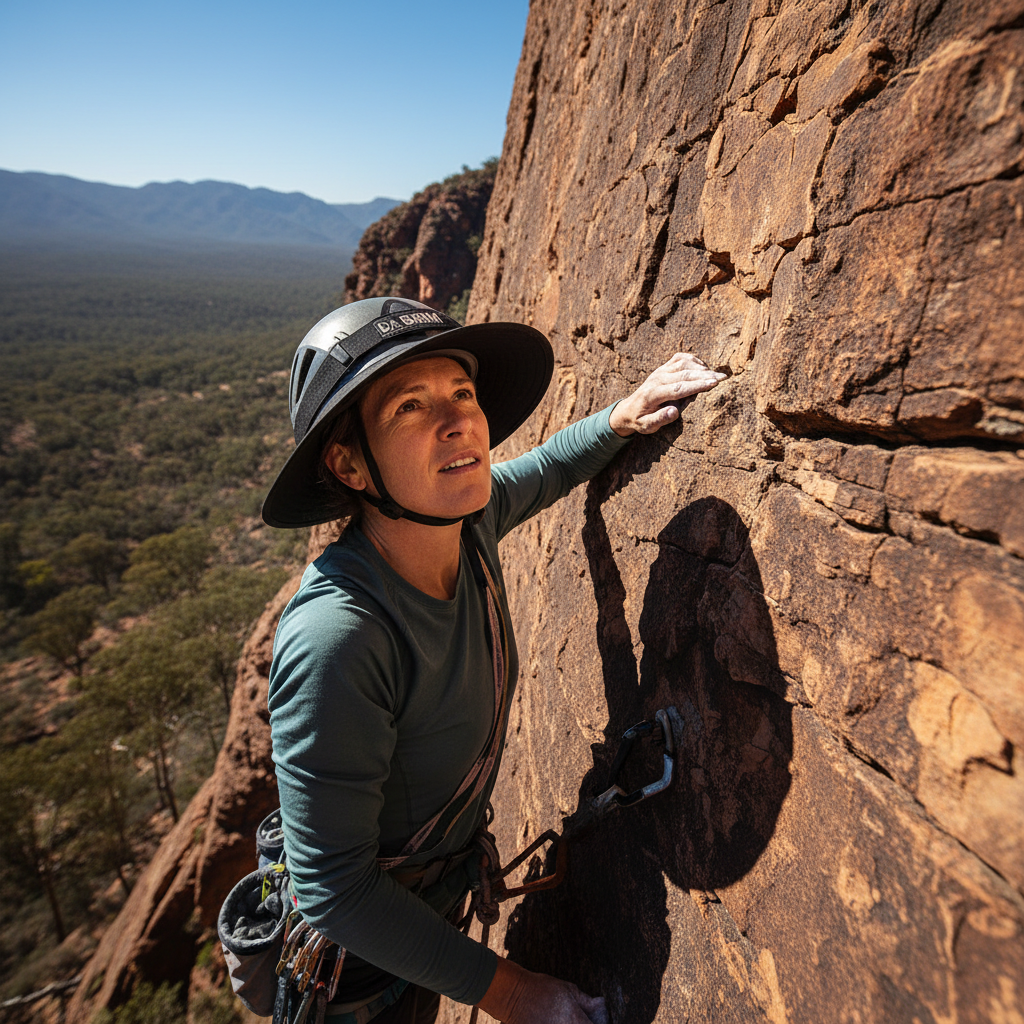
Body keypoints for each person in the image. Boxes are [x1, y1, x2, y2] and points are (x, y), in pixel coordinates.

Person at [262, 297, 725, 1024]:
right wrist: (515, 993)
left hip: (432, 905)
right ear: (348, 464)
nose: (460, 423)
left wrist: (622, 415)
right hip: (358, 966)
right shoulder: (339, 639)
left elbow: (542, 468)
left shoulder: (464, 521)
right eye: (410, 406)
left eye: (463, 393)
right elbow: (335, 890)